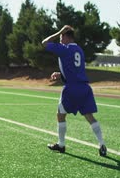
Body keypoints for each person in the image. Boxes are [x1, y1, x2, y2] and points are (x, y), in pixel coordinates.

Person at [42, 25, 107, 156]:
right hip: (84, 88)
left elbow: (44, 43)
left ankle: (61, 145)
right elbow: (75, 69)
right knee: (89, 116)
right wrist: (61, 74)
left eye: (61, 37)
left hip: (71, 88)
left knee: (60, 115)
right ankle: (102, 144)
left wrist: (59, 31)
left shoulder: (64, 49)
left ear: (67, 37)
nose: (60, 40)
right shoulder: (79, 50)